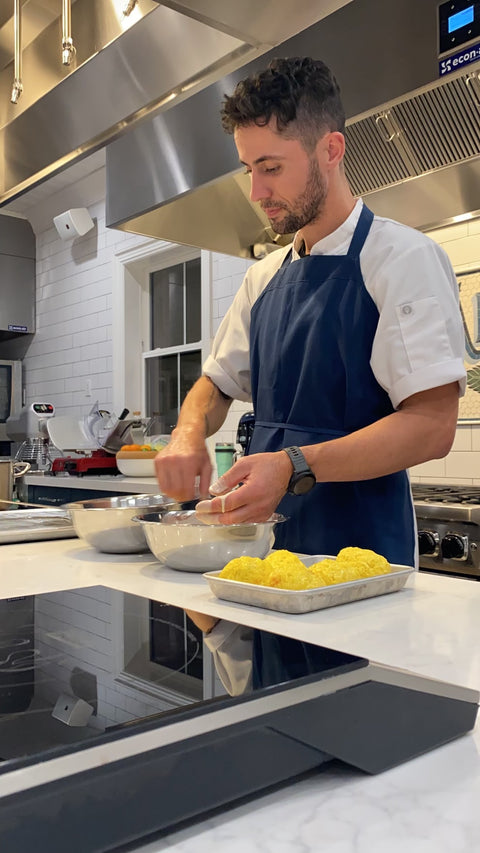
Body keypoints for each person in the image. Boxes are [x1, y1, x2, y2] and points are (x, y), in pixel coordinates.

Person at [155, 56, 466, 694]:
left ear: (331, 149)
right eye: (249, 168)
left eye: (272, 167)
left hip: (361, 566)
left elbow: (432, 426)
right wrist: (188, 431)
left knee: (358, 740)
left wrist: (294, 465)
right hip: (262, 566)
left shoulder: (401, 260)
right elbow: (214, 385)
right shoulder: (262, 278)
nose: (256, 191)